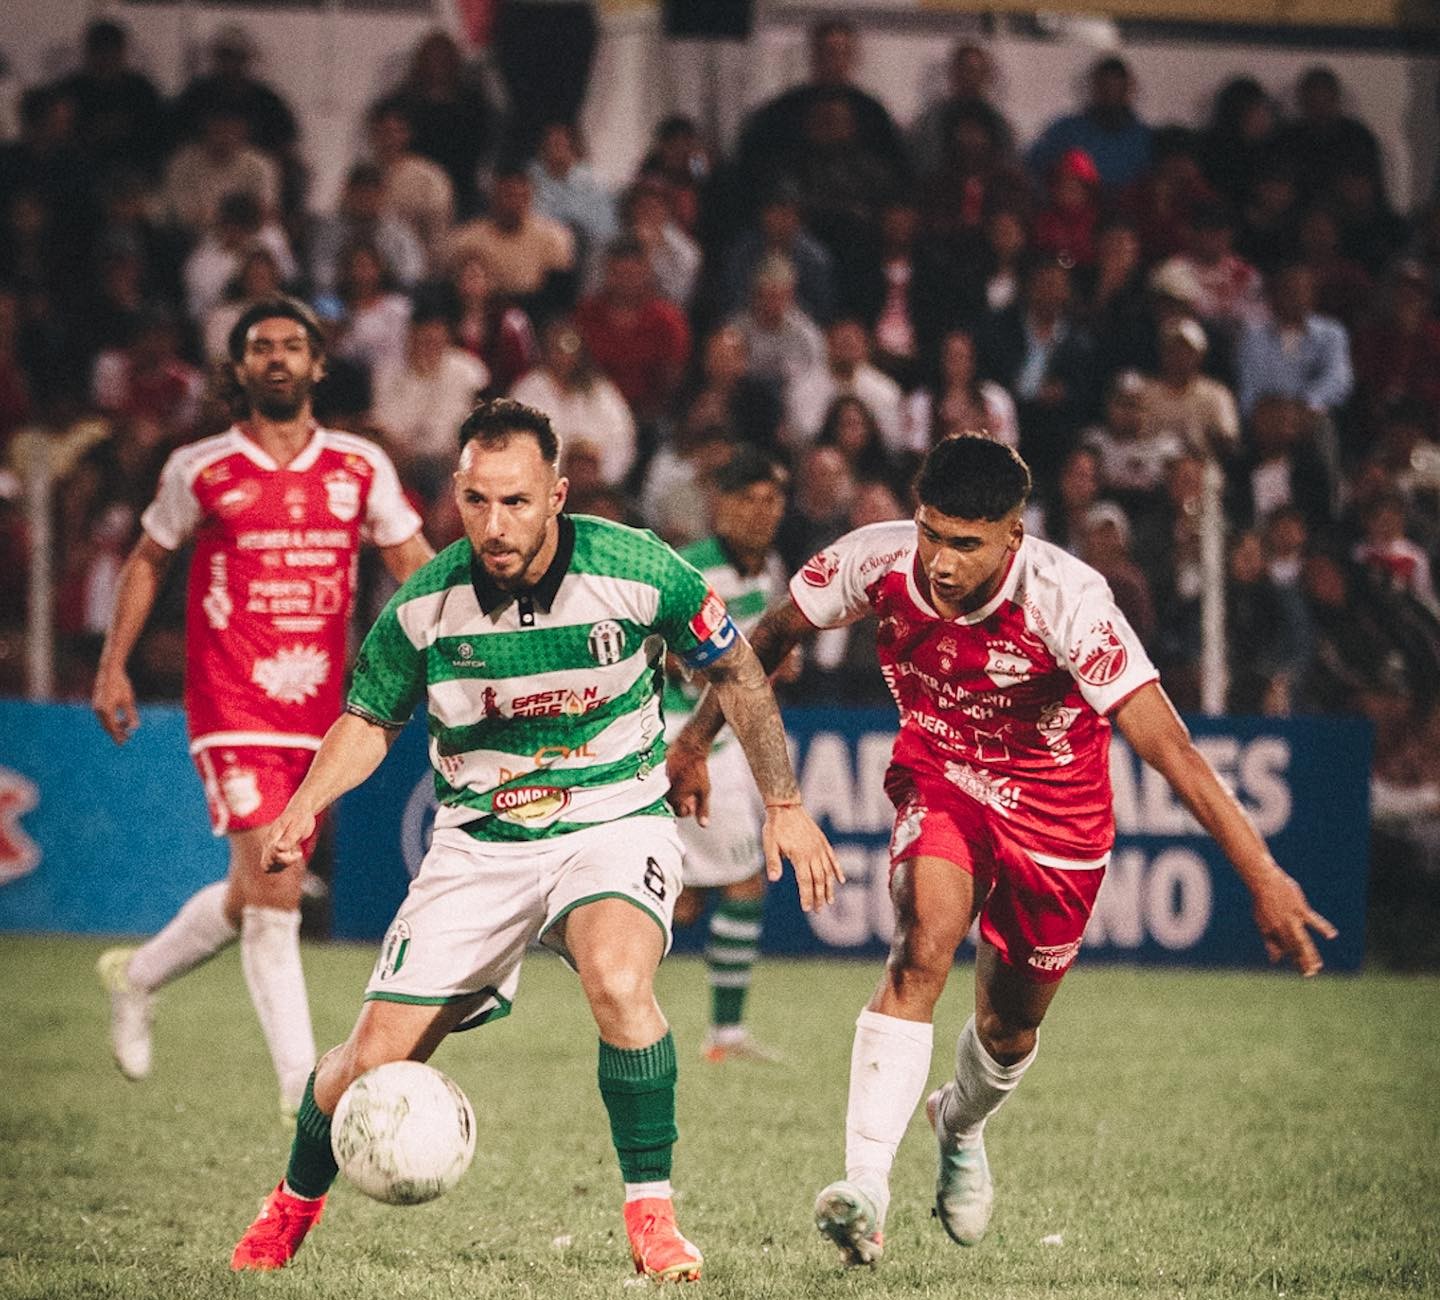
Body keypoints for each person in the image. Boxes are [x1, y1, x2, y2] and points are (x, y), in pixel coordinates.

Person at [667, 434, 1337, 1266]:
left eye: (966, 543)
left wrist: (1263, 874)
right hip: (942, 776)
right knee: (921, 944)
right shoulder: (875, 560)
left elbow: (1171, 750)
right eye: (931, 533)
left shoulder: (1067, 598)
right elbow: (764, 637)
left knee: (1009, 1026)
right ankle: (865, 1191)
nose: (941, 562)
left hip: (1057, 817)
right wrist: (694, 739)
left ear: (1012, 536)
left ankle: (960, 1122)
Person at [227, 398, 841, 1279]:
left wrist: (781, 800)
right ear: (457, 495)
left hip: (614, 819)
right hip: (478, 843)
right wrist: (305, 804)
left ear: (556, 495)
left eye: (516, 501)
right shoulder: (426, 604)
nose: (495, 525)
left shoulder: (638, 566)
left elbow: (737, 668)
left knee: (618, 981)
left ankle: (653, 1217)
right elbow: (368, 721)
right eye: (477, 501)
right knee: (368, 1061)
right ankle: (289, 1207)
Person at [92, 296, 433, 1116]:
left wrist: (470, 637)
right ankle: (301, 1091)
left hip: (325, 714)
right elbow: (147, 559)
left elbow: (414, 564)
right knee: (277, 892)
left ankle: (136, 976)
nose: (277, 357)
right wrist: (113, 665)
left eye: (291, 345)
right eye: (260, 347)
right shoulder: (200, 467)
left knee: (252, 891)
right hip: (231, 704)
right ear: (240, 369)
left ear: (318, 364)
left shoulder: (360, 466)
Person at [663, 448, 792, 1062]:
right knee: (740, 882)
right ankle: (726, 1035)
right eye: (748, 500)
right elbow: (664, 644)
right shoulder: (695, 569)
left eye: (772, 500)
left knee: (685, 900)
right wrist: (689, 662)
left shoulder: (764, 572)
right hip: (686, 736)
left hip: (725, 738)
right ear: (721, 505)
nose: (762, 513)